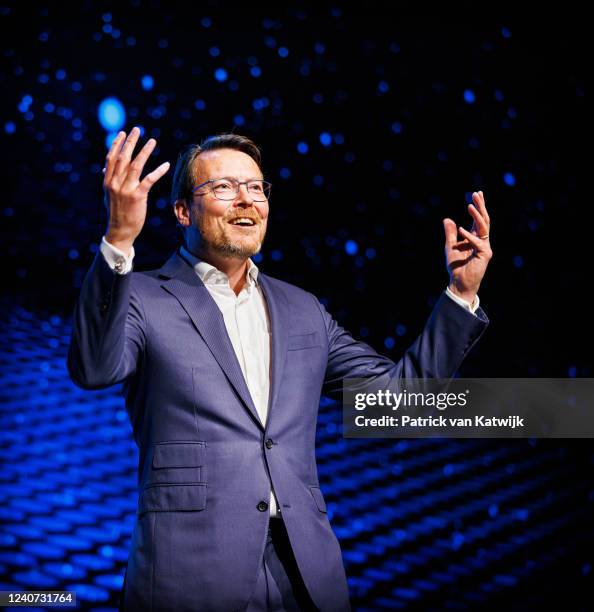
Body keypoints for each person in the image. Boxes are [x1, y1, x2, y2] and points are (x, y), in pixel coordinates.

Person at [67, 128, 492, 612]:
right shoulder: (142, 296)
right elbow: (94, 368)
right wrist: (119, 238)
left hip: (305, 577)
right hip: (189, 573)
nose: (246, 200)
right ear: (183, 211)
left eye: (256, 188)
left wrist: (460, 295)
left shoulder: (302, 309)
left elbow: (399, 401)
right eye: (224, 188)